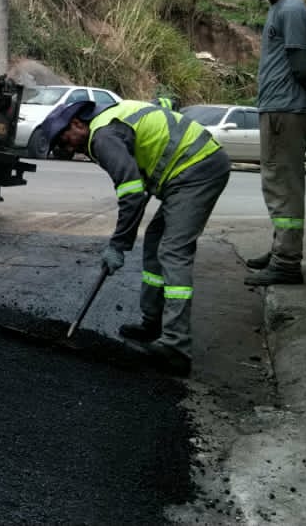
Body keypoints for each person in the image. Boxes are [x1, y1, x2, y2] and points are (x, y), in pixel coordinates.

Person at [35, 98, 232, 377]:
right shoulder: (109, 123)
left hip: (198, 168)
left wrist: (118, 245)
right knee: (155, 240)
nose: (65, 147)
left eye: (64, 138)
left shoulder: (102, 137)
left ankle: (176, 348)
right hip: (189, 166)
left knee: (174, 251)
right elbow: (138, 184)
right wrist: (123, 239)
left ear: (78, 123)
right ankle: (153, 323)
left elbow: (131, 195)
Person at [239, 0, 306, 287]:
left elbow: (302, 66)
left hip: (284, 111)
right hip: (280, 108)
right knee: (278, 183)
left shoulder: (291, 10)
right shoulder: (279, 9)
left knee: (282, 186)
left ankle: (286, 262)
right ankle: (280, 251)